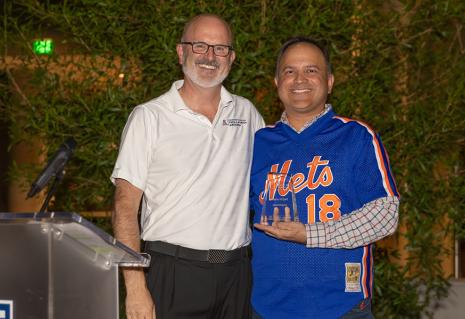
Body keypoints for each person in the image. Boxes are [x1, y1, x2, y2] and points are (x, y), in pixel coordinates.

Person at [111, 14, 264, 319]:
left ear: (231, 58)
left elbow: (270, 185)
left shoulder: (247, 114)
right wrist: (136, 288)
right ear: (181, 51)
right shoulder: (149, 117)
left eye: (220, 48)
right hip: (172, 273)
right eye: (200, 45)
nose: (210, 56)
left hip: (237, 275)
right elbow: (124, 208)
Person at [249, 36, 400, 318]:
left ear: (329, 81)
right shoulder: (258, 142)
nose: (299, 79)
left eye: (311, 70)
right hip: (267, 307)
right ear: (276, 83)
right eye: (289, 71)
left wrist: (309, 234)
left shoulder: (356, 136)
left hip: (341, 307)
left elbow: (385, 214)